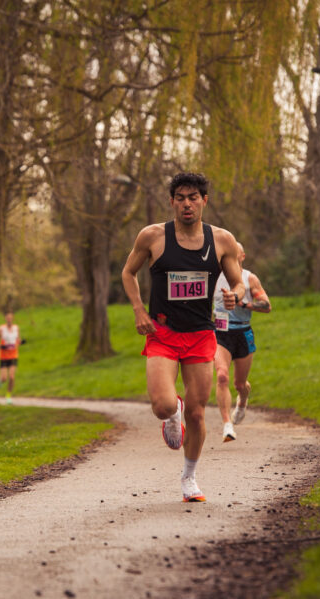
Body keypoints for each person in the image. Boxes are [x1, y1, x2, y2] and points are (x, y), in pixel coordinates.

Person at [121, 172, 245, 503]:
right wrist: (138, 310)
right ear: (172, 201)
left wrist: (235, 294)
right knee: (162, 406)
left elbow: (239, 282)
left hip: (201, 334)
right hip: (162, 332)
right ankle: (171, 413)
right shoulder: (153, 236)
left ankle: (189, 478)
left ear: (205, 201)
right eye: (180, 197)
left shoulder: (221, 240)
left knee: (198, 412)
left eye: (193, 197)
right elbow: (128, 272)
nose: (186, 203)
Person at [212, 243, 272, 442]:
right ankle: (227, 424)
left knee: (239, 384)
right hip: (220, 332)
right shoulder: (214, 276)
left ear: (242, 256)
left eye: (233, 254)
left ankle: (243, 400)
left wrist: (244, 303)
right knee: (221, 377)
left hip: (243, 332)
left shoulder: (249, 278)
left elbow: (266, 306)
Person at [0, 311, 21, 403]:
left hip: (13, 355)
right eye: (7, 318)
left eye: (11, 318)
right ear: (5, 318)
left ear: (13, 318)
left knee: (12, 377)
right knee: (4, 378)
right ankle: (0, 380)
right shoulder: (1, 328)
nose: (9, 319)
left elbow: (18, 340)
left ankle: (8, 396)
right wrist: (0, 346)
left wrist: (20, 342)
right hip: (4, 356)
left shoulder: (16, 328)